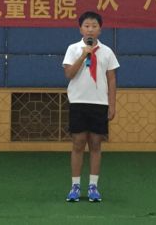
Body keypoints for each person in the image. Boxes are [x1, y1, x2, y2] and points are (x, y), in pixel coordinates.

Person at [62, 11, 119, 202]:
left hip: (99, 103)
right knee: (78, 143)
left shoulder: (107, 51)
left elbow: (112, 79)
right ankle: (75, 187)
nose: (90, 30)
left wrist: (112, 104)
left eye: (94, 26)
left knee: (95, 144)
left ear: (100, 30)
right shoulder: (73, 49)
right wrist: (83, 55)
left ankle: (93, 186)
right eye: (87, 26)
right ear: (80, 29)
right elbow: (69, 74)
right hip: (78, 102)